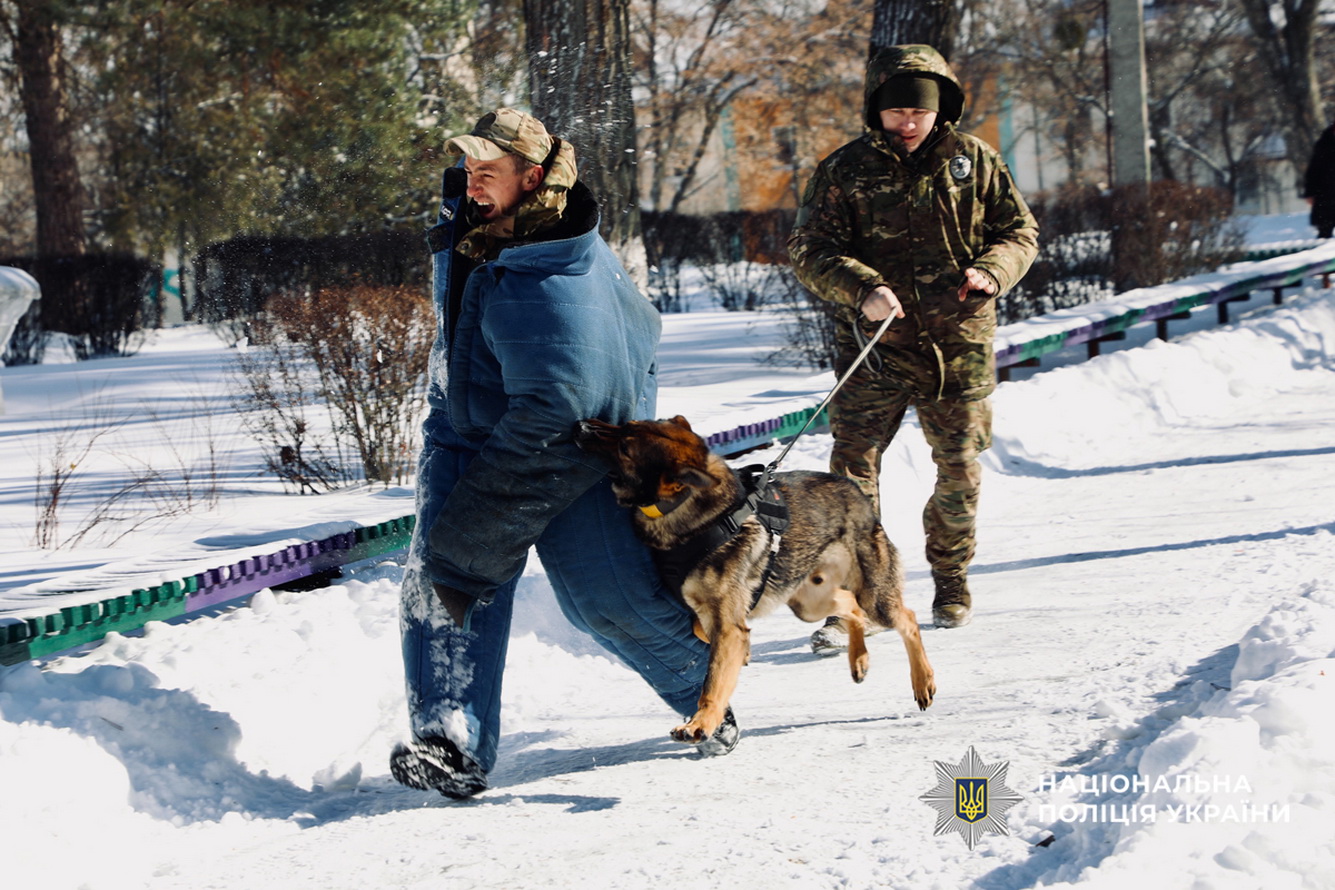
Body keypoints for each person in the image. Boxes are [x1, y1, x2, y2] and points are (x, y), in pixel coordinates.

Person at [393, 109, 735, 800]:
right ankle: (450, 741)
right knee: (450, 582)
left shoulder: (558, 269)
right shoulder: (475, 223)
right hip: (467, 429)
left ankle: (708, 693)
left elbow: (584, 384)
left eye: (489, 170)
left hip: (565, 443)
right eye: (468, 167)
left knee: (604, 600)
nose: (472, 182)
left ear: (533, 177)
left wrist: (492, 508)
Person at [787, 45, 1038, 642]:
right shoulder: (844, 170)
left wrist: (992, 272)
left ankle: (951, 579)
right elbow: (809, 248)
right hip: (875, 349)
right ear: (876, 109)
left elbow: (1019, 231)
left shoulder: (975, 161)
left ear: (940, 108)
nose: (908, 123)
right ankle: (857, 599)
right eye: (897, 111)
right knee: (851, 480)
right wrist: (861, 287)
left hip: (958, 348)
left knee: (958, 471)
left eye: (919, 113)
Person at [1302, 122, 1335, 239]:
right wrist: (1310, 192)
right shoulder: (1324, 144)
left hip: (1326, 193)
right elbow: (1314, 170)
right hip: (1326, 194)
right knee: (1325, 230)